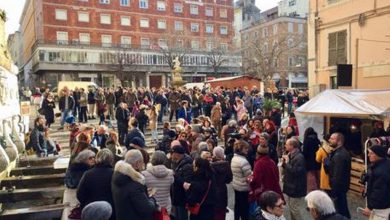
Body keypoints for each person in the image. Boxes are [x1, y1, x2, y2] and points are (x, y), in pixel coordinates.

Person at [111, 149, 159, 220]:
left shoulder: (118, 176)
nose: (143, 166)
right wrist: (152, 199)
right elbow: (146, 208)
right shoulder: (134, 183)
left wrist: (143, 194)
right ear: (137, 164)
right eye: (142, 163)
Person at [77, 149, 115, 219]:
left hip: (92, 211)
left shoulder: (88, 174)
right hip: (111, 211)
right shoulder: (115, 174)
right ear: (111, 160)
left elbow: (80, 194)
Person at [362, 145, 390, 219]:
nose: (368, 155)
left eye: (371, 153)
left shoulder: (381, 171)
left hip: (381, 209)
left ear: (378, 155)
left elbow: (379, 191)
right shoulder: (385, 163)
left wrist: (369, 207)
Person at [282, 138, 306, 220]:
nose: (285, 145)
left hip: (296, 187)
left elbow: (296, 172)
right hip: (290, 186)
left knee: (295, 209)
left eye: (287, 144)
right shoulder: (290, 154)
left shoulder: (299, 157)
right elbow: (286, 168)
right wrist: (284, 162)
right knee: (292, 209)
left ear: (292, 146)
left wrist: (287, 162)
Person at [328, 132, 351, 219]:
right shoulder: (338, 153)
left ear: (339, 141)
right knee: (343, 209)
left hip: (339, 188)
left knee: (341, 211)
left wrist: (334, 192)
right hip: (341, 188)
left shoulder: (339, 155)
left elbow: (337, 175)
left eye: (332, 139)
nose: (329, 140)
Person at [171, 145, 194, 220]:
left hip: (182, 198)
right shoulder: (178, 162)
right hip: (178, 197)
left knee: (182, 217)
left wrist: (175, 176)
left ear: (177, 154)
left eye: (172, 153)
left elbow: (186, 182)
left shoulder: (187, 165)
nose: (171, 155)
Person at [231, 140, 252, 220]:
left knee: (237, 205)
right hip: (243, 187)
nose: (247, 150)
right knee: (244, 208)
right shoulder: (243, 161)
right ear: (240, 149)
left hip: (236, 185)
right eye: (245, 148)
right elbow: (249, 177)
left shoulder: (234, 158)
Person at [211, 146, 233, 220]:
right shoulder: (226, 165)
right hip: (222, 189)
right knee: (222, 211)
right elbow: (229, 179)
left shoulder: (211, 165)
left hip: (213, 190)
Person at [303, 127, 321, 192]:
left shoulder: (307, 140)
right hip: (317, 160)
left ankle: (312, 190)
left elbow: (305, 151)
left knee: (311, 176)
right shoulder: (317, 139)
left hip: (309, 161)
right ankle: (319, 188)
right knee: (318, 176)